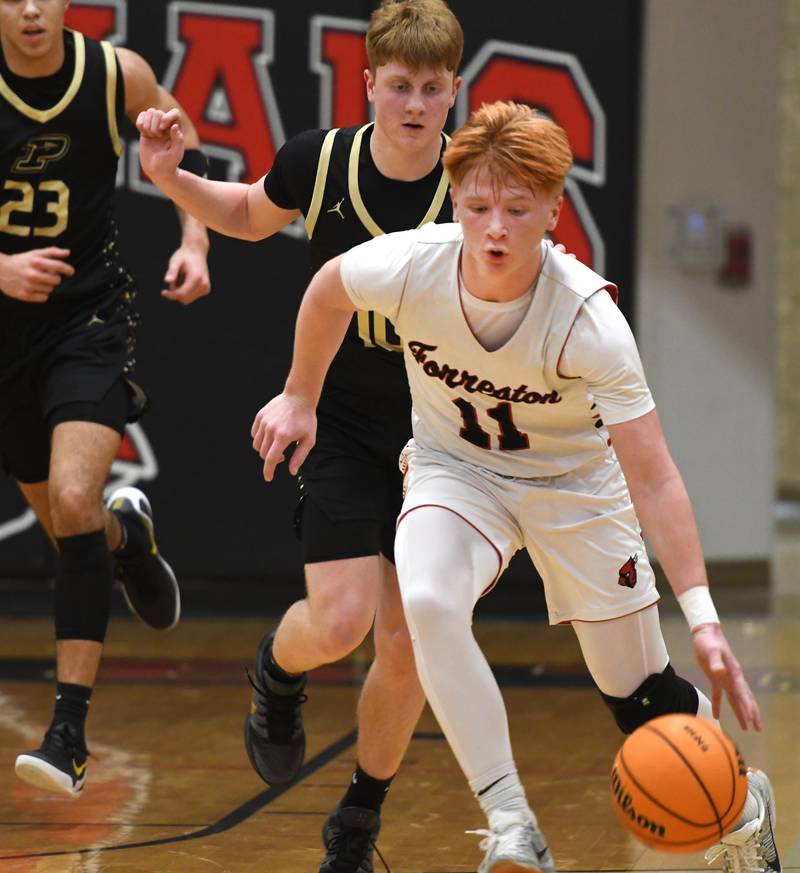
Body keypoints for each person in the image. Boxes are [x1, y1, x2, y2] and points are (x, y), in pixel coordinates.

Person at [249, 101, 781, 873]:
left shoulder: (588, 322)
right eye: (477, 206)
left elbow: (655, 474)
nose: (495, 227)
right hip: (455, 471)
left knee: (640, 701)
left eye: (517, 208)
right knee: (428, 601)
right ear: (455, 200)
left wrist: (700, 615)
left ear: (553, 211)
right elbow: (328, 287)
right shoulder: (412, 263)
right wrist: (300, 393)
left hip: (575, 488)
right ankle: (510, 823)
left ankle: (743, 803)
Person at [137, 2, 463, 869]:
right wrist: (174, 179)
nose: (415, 103)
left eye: (433, 87)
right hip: (346, 418)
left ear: (454, 89)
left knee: (410, 642)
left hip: (439, 432)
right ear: (369, 86)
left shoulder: (476, 182)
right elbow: (246, 212)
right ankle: (277, 671)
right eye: (399, 85)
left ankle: (359, 818)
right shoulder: (320, 160)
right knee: (342, 622)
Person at [0, 0, 210, 798]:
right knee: (71, 525)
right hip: (4, 335)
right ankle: (130, 538)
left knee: (71, 492)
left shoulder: (116, 74)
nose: (28, 8)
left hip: (87, 319)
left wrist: (194, 242)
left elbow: (176, 143)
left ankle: (69, 731)